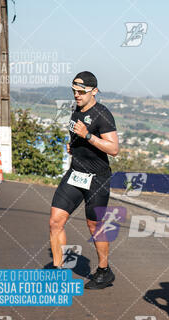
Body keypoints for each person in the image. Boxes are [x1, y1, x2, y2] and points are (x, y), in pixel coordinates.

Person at [49, 71, 119, 289]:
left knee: (94, 225)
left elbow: (114, 149)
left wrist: (88, 136)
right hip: (75, 173)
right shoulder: (76, 110)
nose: (77, 95)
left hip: (96, 178)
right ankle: (57, 271)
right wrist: (75, 147)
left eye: (81, 92)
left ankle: (104, 271)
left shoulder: (103, 114)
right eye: (74, 91)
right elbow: (79, 138)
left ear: (94, 91)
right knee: (55, 222)